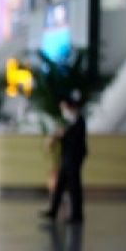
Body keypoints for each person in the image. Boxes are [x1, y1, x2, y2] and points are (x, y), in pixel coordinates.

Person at [41, 93, 87, 224]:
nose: (63, 111)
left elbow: (75, 138)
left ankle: (77, 215)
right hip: (66, 158)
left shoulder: (79, 121)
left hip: (74, 158)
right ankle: (53, 211)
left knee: (74, 186)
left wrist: (62, 134)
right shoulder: (68, 122)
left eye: (64, 108)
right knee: (59, 185)